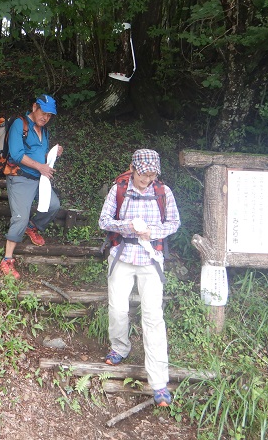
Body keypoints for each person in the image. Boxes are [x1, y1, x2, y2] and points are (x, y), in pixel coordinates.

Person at [98, 149, 180, 407]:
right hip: (122, 256)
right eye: (143, 175)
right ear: (132, 169)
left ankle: (159, 381)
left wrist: (152, 231)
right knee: (118, 309)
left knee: (153, 317)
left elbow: (174, 223)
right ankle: (120, 348)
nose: (147, 180)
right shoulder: (119, 190)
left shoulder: (163, 192)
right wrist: (127, 226)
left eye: (152, 175)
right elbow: (104, 221)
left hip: (151, 259)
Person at [0, 94, 63, 279]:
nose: (46, 118)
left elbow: (40, 155)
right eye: (44, 113)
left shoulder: (44, 131)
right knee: (20, 217)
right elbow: (17, 155)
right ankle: (7, 259)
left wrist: (53, 154)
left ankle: (32, 226)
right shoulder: (20, 124)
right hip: (20, 178)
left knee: (53, 205)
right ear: (35, 107)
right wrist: (40, 167)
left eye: (49, 115)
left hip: (39, 179)